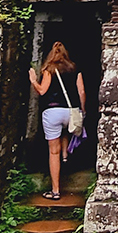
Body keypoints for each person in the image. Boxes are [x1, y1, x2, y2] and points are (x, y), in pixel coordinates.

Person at [28, 41, 85, 200]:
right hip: (71, 111)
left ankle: (55, 191)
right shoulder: (74, 69)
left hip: (53, 111)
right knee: (66, 129)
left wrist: (33, 79)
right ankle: (66, 157)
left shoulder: (49, 70)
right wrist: (83, 110)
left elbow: (42, 90)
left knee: (53, 151)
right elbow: (81, 92)